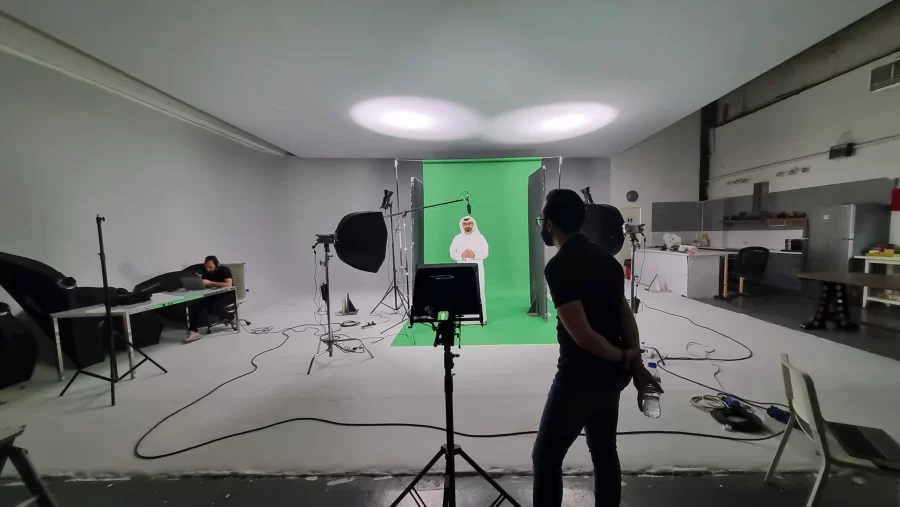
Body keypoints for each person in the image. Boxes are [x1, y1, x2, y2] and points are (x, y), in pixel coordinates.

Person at [532, 189, 661, 507]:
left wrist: (625, 358)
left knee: (546, 456)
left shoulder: (560, 267)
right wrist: (632, 361)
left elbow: (584, 336)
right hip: (612, 376)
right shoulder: (609, 262)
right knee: (604, 452)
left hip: (579, 377)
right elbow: (624, 314)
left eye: (542, 220)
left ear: (549, 224)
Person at [183, 256, 233, 344]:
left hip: (227, 295)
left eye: (210, 267)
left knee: (214, 308)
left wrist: (210, 283)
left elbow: (228, 284)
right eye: (206, 267)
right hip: (212, 295)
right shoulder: (205, 271)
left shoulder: (225, 270)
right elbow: (204, 284)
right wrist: (196, 285)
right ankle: (194, 332)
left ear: (216, 265)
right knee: (194, 306)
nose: (208, 269)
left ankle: (231, 316)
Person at [449, 216, 489, 323]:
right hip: (461, 270)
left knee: (479, 291)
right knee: (461, 291)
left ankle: (481, 318)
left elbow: (486, 253)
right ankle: (463, 319)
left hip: (477, 270)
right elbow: (452, 253)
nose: (467, 226)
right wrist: (462, 254)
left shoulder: (480, 238)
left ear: (473, 224)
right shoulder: (457, 238)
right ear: (462, 225)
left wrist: (474, 254)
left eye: (469, 224)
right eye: (465, 224)